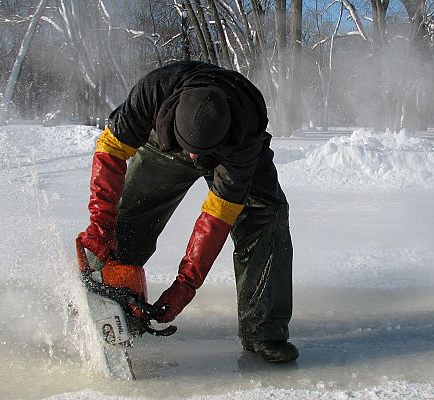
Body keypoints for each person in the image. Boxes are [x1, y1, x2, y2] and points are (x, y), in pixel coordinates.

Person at [77, 61, 298, 363]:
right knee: (130, 218)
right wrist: (100, 223)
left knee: (265, 218)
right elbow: (110, 152)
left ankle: (264, 330)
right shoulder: (152, 92)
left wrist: (185, 285)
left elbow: (216, 217)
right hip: (166, 142)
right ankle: (114, 302)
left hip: (234, 151)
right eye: (191, 150)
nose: (194, 158)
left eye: (200, 153)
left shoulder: (243, 131)